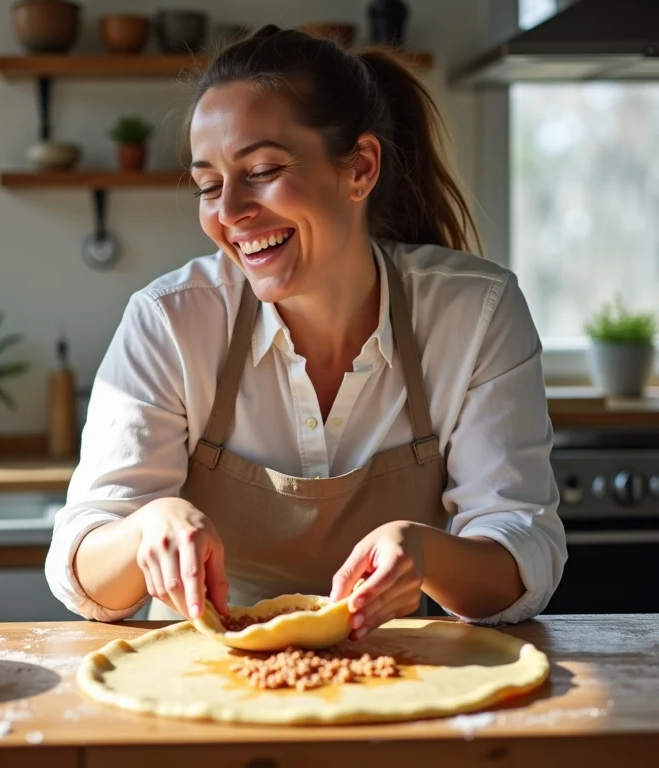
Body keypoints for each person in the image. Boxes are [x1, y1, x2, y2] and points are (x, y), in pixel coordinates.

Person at [45, 25, 566, 639]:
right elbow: (80, 566)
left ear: (360, 169)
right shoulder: (171, 320)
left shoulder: (474, 313)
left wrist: (425, 553)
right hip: (203, 675)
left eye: (262, 169)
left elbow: (521, 552)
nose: (230, 212)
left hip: (395, 676)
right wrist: (145, 526)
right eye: (209, 185)